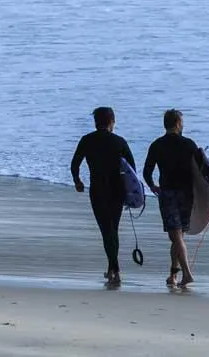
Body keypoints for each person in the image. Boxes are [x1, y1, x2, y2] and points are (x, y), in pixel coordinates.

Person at [70, 106, 136, 287]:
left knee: (107, 229)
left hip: (98, 190)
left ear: (96, 122)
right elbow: (132, 169)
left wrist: (77, 181)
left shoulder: (87, 140)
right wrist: (132, 193)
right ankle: (113, 268)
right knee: (113, 228)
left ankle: (114, 269)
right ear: (112, 121)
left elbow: (75, 163)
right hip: (117, 190)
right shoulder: (119, 142)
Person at [143, 107, 204, 287]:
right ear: (177, 124)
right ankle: (173, 276)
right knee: (178, 237)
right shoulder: (189, 144)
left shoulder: (157, 145)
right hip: (187, 194)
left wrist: (152, 186)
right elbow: (202, 172)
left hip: (168, 194)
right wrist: (206, 195)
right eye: (182, 122)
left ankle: (187, 274)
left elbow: (147, 171)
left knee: (176, 236)